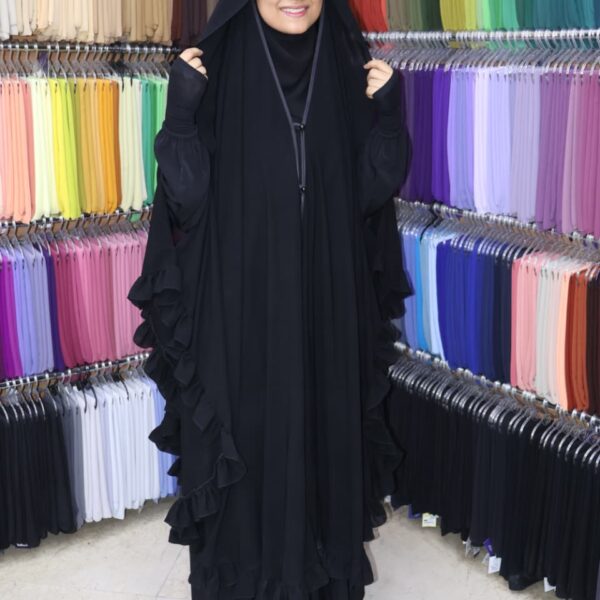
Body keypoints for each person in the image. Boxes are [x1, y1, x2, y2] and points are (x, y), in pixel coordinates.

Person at [128, 0, 412, 598]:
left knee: (321, 435)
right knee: (249, 439)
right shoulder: (215, 70)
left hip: (325, 304)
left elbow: (367, 195)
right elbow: (187, 200)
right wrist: (181, 115)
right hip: (241, 309)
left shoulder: (346, 69)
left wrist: (388, 119)